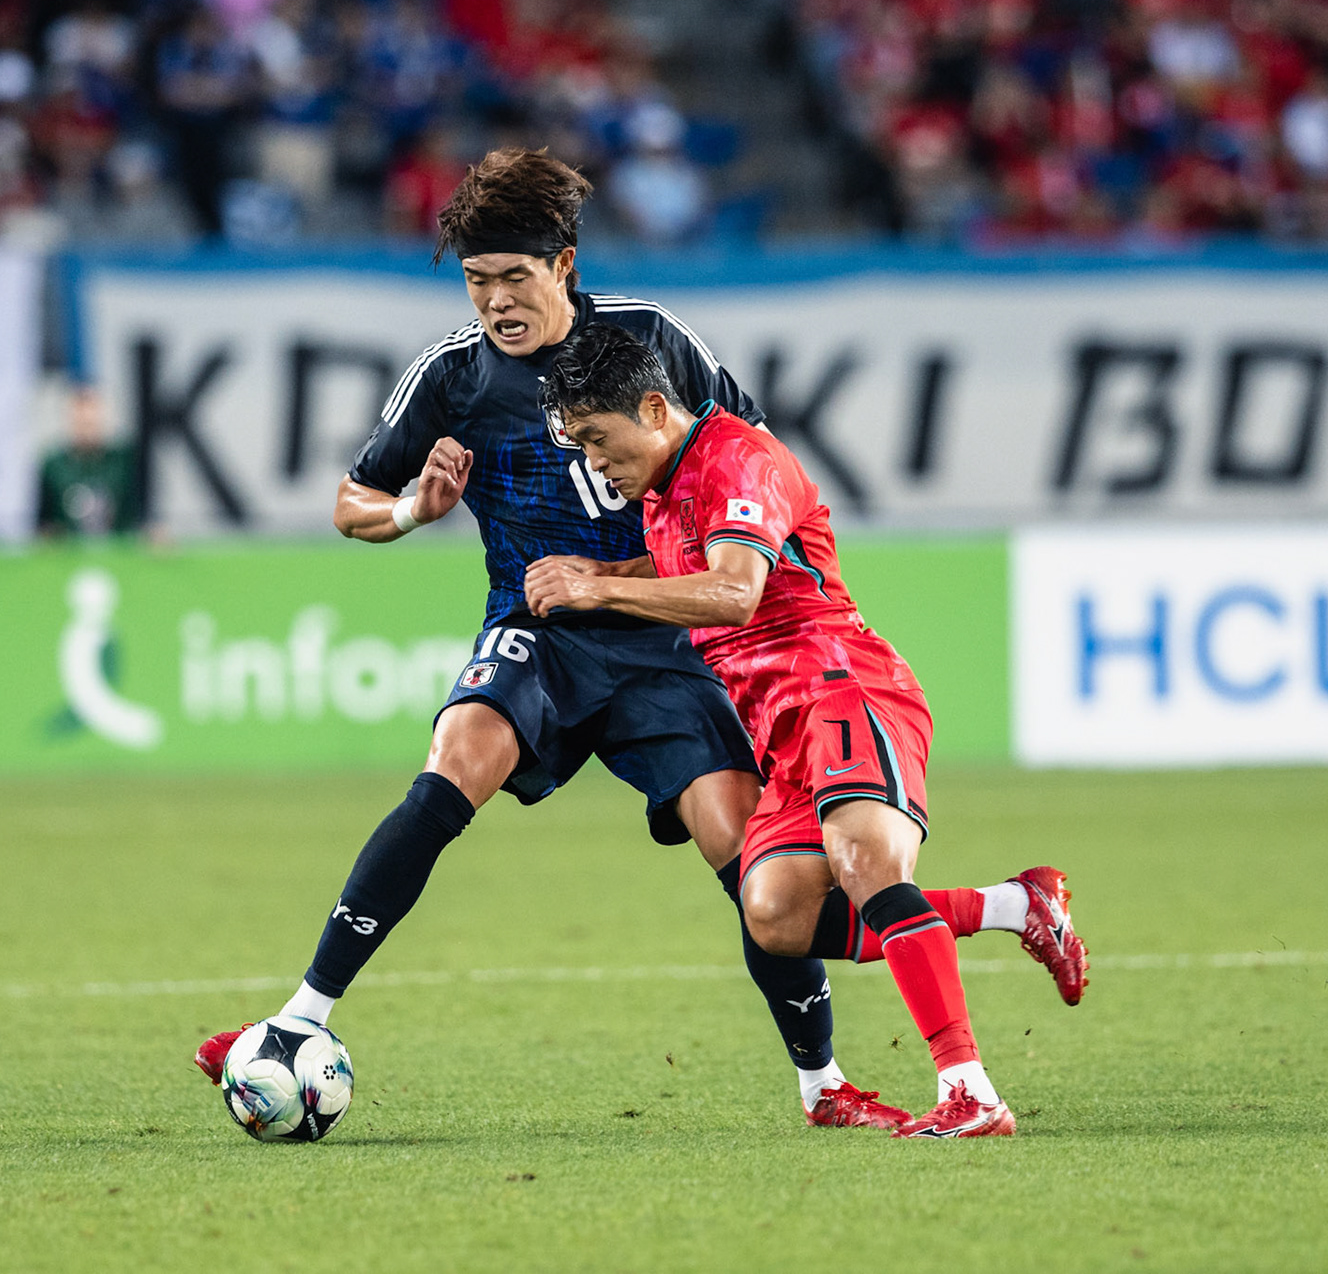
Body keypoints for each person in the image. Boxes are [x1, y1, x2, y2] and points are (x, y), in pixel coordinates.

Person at [196, 147, 907, 1129]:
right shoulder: (452, 378)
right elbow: (350, 502)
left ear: (563, 266)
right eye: (478, 281)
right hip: (537, 633)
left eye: (514, 278)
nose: (496, 301)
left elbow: (754, 465)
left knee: (742, 852)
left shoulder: (653, 341)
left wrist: (639, 578)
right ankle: (297, 1019)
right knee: (458, 756)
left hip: (666, 639)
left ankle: (823, 1086)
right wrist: (414, 510)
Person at [524, 322, 1090, 1137]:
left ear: (653, 407)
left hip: (842, 688)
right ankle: (1015, 904)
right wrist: (606, 570)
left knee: (866, 866)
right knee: (777, 913)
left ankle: (971, 1089)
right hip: (779, 732)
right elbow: (695, 559)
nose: (593, 460)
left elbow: (733, 592)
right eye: (579, 443)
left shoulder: (738, 458)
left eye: (597, 438)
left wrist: (598, 593)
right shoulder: (666, 485)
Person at [36, 386, 142, 538]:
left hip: (118, 551)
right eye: (81, 423)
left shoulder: (123, 461)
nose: (87, 430)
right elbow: (43, 523)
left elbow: (139, 514)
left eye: (91, 422)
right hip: (67, 554)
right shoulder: (54, 465)